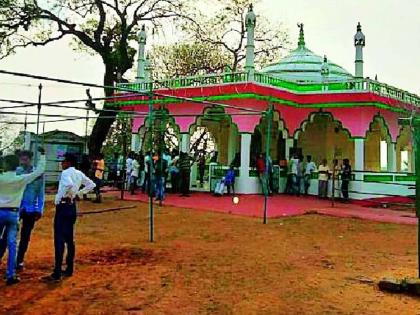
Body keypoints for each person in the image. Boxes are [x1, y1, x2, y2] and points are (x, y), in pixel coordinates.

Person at [43, 153, 95, 282]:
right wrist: (79, 193)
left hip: (63, 206)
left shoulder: (66, 173)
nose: (62, 163)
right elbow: (91, 185)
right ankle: (69, 268)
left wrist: (61, 196)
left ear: (69, 162)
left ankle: (57, 272)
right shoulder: (79, 173)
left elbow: (69, 184)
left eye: (64, 161)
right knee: (69, 239)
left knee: (59, 240)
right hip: (72, 207)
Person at [0, 148, 46, 285]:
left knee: (23, 237)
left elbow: (41, 193)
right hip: (15, 211)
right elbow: (39, 170)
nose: (23, 160)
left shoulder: (6, 176)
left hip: (25, 209)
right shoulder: (21, 176)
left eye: (26, 158)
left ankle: (18, 261)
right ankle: (10, 273)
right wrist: (43, 156)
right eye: (21, 158)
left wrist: (39, 208)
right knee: (12, 242)